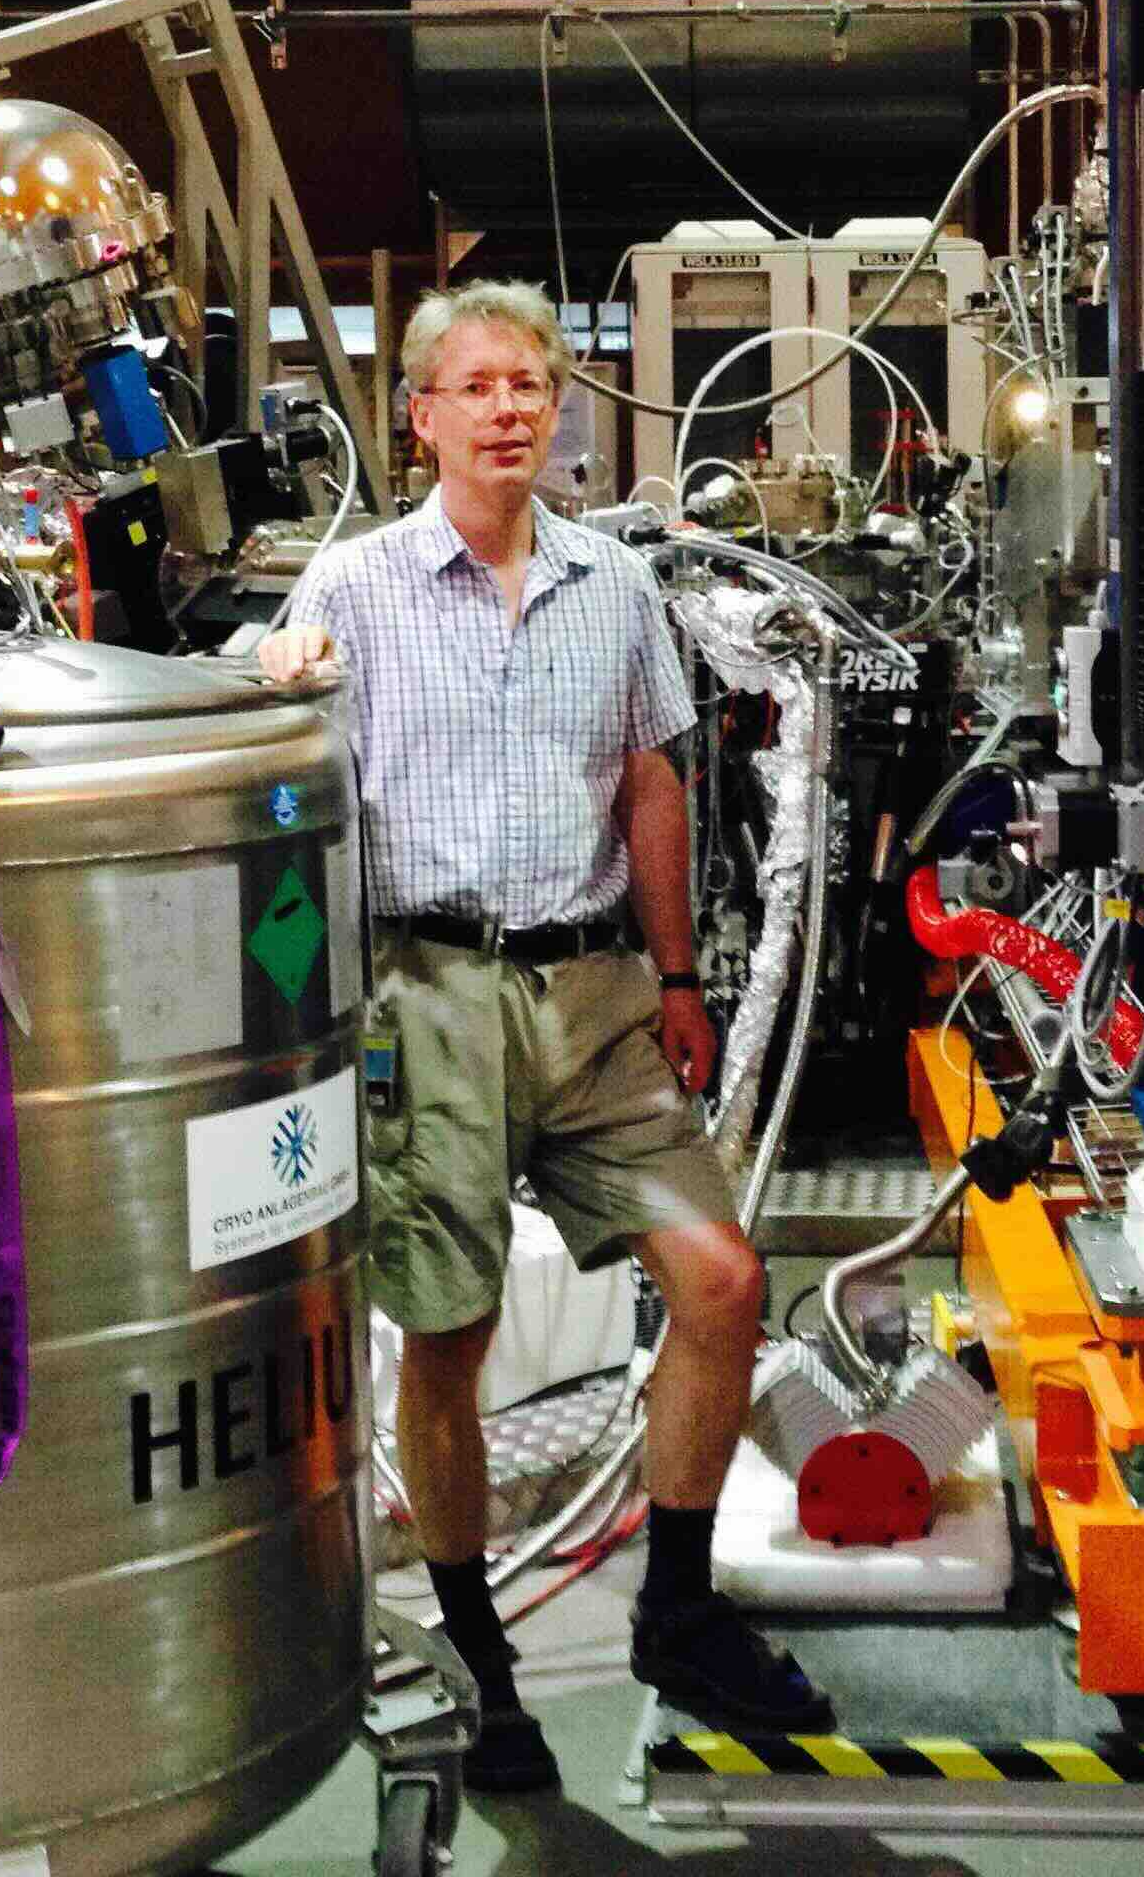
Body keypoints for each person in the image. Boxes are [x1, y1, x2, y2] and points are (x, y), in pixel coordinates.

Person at [258, 279, 835, 1794]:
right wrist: (273, 694)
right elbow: (281, 791)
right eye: (480, 384)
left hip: (594, 1002)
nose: (512, 407)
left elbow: (651, 785)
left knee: (719, 1279)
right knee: (445, 1336)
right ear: (423, 415)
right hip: (426, 1002)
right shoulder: (352, 595)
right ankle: (480, 1661)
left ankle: (680, 1613)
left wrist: (681, 972)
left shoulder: (614, 588)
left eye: (533, 382)